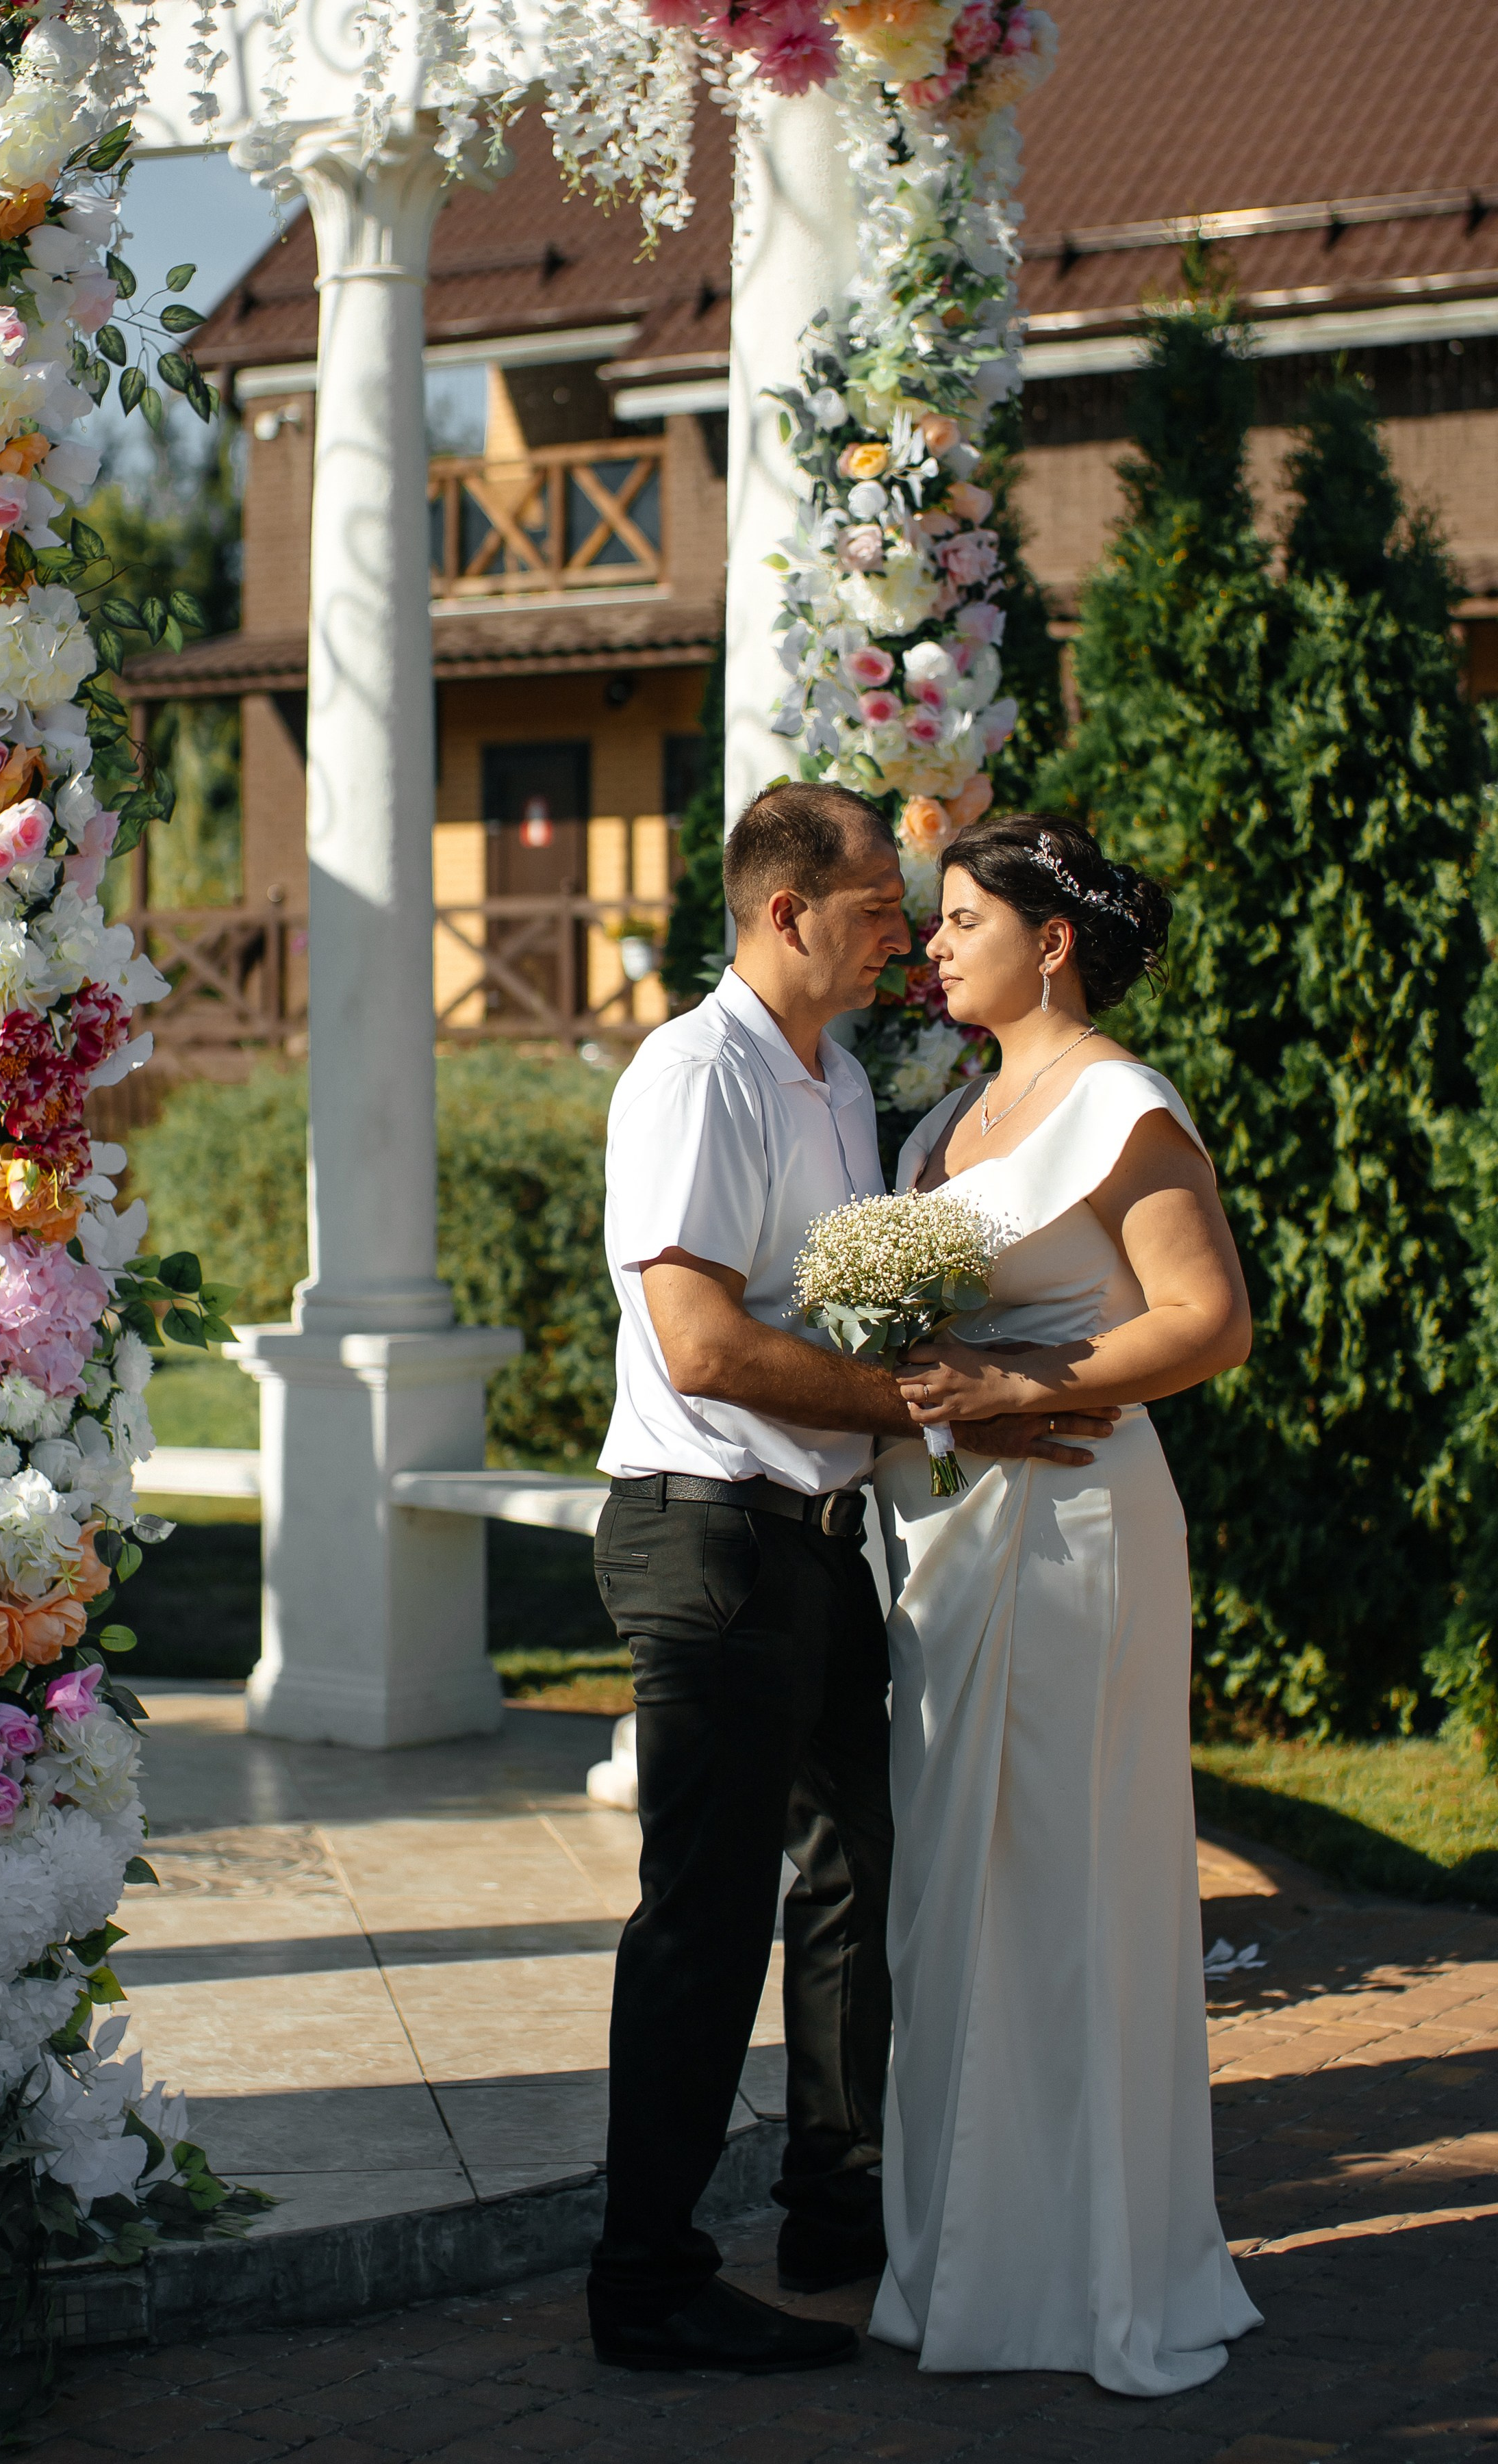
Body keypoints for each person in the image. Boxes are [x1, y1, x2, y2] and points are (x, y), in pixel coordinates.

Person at [586, 781, 1114, 2376]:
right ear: (786, 913)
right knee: (706, 1913)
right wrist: (921, 1405)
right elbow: (705, 1342)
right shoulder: (696, 1076)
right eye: (884, 901)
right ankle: (649, 2280)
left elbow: (837, 1315)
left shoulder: (838, 1084)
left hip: (814, 1543)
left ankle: (835, 2204)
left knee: (850, 1882)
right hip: (710, 1530)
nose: (904, 929)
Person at [869, 810, 1263, 2397]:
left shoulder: (1122, 1105)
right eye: (937, 917)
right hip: (949, 1541)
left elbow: (1210, 1321)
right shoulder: (949, 1115)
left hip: (1085, 1524)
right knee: (951, 1895)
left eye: (964, 919)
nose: (936, 942)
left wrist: (1018, 1379)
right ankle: (965, 2260)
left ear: (1053, 943)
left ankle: (1097, 2274)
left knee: (1071, 1883)